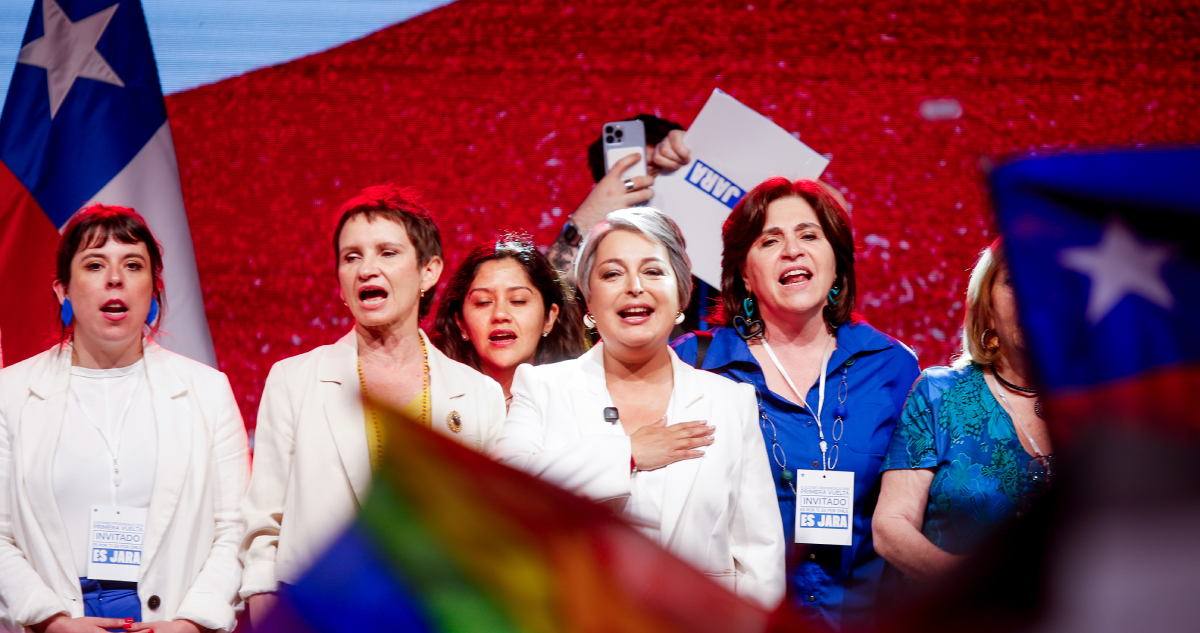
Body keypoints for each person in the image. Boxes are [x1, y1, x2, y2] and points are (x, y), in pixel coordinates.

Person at [239, 185, 506, 626]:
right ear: (341, 283)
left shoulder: (478, 395)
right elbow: (263, 524)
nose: (367, 269)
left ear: (428, 271)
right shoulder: (294, 380)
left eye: (387, 253)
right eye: (352, 257)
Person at [494, 208, 786, 609]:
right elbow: (504, 497)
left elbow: (760, 563)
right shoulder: (543, 388)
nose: (634, 287)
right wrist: (626, 454)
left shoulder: (730, 403)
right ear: (588, 301)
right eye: (613, 274)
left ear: (681, 294)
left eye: (653, 271)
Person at [670, 178, 920, 629]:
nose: (792, 251)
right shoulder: (692, 363)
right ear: (745, 274)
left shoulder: (891, 366)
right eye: (770, 241)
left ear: (837, 263)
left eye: (809, 235)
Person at [0, 205, 248, 633]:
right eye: (95, 265)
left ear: (154, 288)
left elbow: (235, 529)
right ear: (62, 290)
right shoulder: (10, 393)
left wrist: (190, 623)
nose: (115, 278)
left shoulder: (207, 390)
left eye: (133, 265)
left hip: (169, 622)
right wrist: (52, 621)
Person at [873, 239, 1051, 586]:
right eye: (1014, 279)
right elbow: (890, 527)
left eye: (1050, 279)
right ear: (987, 307)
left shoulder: (1103, 407)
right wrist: (969, 588)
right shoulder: (939, 394)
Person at [431, 235, 589, 407]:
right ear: (461, 323)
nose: (500, 314)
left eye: (518, 301)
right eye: (483, 302)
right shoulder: (432, 403)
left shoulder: (581, 401)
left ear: (549, 318)